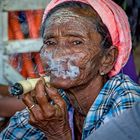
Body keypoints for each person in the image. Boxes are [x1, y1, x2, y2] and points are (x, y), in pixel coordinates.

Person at [1, 0, 140, 140]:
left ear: (107, 59)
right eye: (50, 42)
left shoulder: (127, 104)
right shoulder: (53, 103)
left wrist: (57, 135)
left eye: (76, 42)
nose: (58, 55)